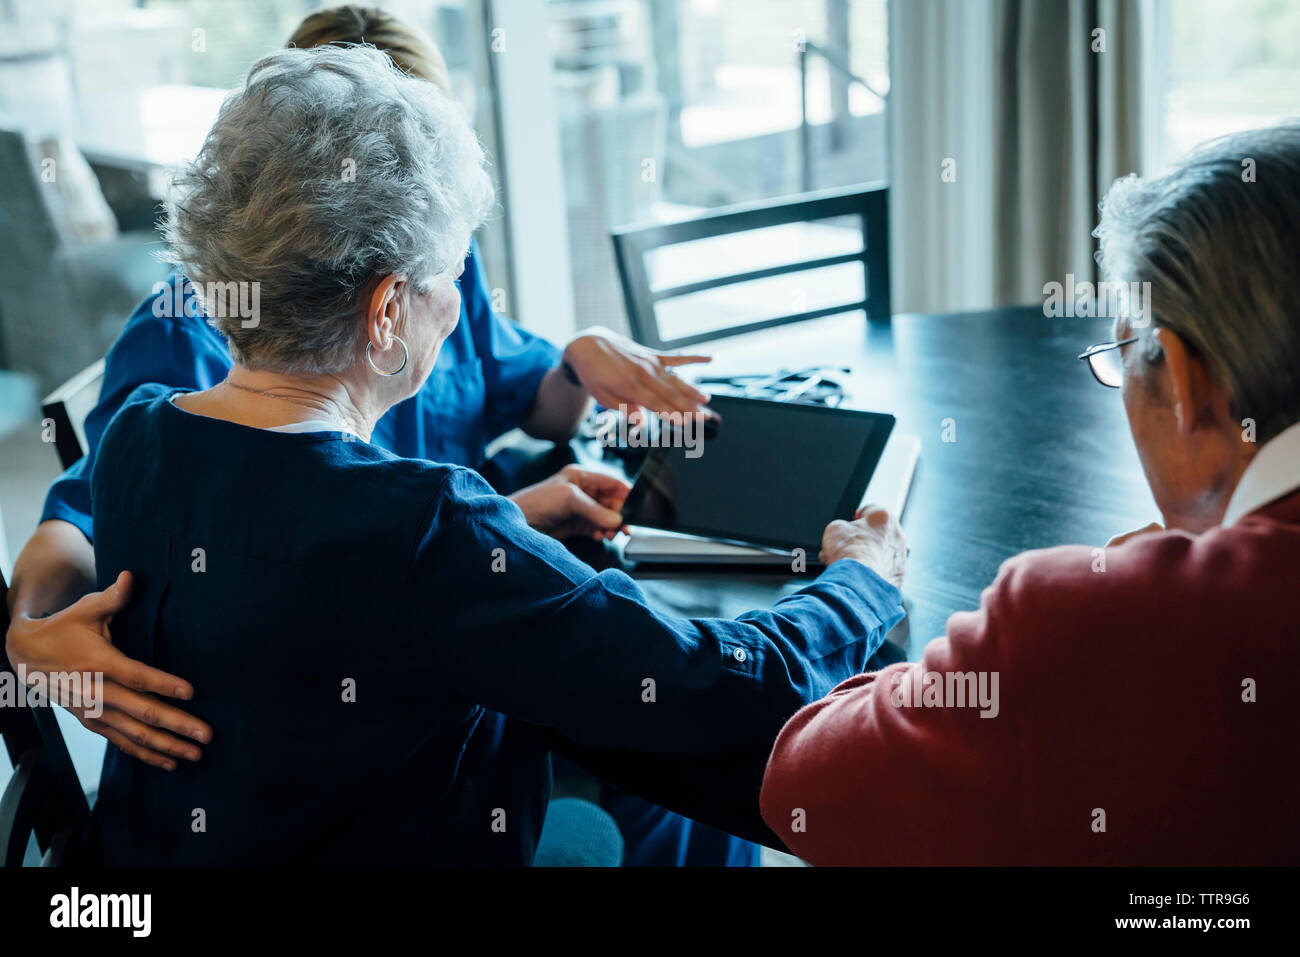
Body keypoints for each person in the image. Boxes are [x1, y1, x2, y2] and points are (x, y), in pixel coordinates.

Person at [23, 44, 907, 865]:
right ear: (384, 313)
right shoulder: (426, 526)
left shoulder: (136, 431)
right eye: (447, 276)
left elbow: (300, 574)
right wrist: (863, 579)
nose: (456, 307)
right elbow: (717, 684)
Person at [759, 123, 1300, 865]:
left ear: (1178, 380)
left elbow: (802, 789)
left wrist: (1101, 614)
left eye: (1122, 356)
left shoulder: (1084, 618)